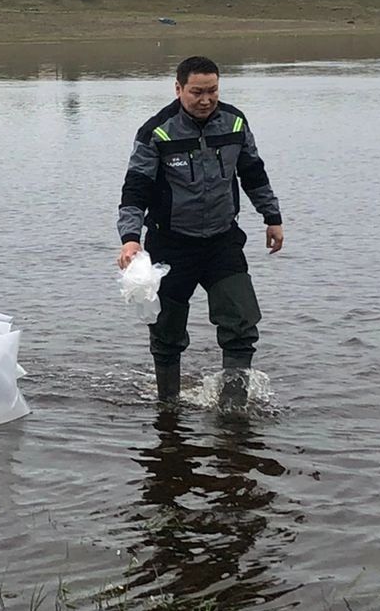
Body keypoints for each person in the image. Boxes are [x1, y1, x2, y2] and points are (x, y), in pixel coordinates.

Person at [117, 56, 284, 405]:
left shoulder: (235, 122)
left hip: (222, 242)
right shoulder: (156, 131)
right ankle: (168, 405)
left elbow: (253, 173)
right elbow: (135, 190)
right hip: (171, 246)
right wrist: (130, 240)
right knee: (166, 334)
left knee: (241, 324)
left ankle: (233, 409)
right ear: (178, 89)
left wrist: (272, 216)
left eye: (213, 91)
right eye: (197, 92)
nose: (206, 100)